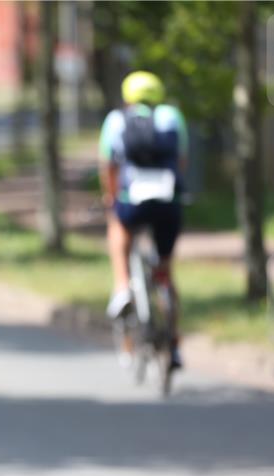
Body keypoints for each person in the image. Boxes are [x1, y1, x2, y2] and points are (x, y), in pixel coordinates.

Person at [99, 71, 189, 369]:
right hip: (168, 202)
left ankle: (122, 285)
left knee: (117, 226)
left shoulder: (116, 120)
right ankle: (173, 345)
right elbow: (182, 161)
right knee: (165, 270)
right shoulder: (172, 117)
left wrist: (110, 197)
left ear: (127, 96)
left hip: (132, 200)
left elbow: (108, 165)